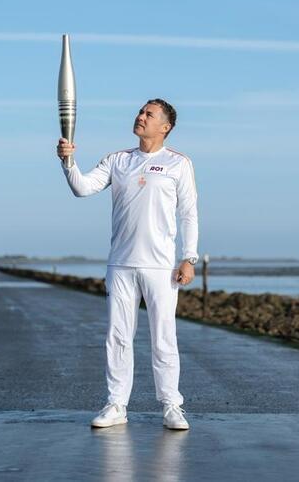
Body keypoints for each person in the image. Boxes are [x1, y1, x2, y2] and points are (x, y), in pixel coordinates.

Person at [56, 98, 199, 431]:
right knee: (118, 336)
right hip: (121, 264)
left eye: (149, 114)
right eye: (140, 112)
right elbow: (82, 188)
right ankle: (117, 404)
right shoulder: (118, 160)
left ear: (165, 127)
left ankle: (171, 406)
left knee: (164, 337)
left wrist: (189, 258)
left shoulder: (178, 164)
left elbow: (189, 213)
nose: (140, 117)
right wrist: (68, 162)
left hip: (161, 267)